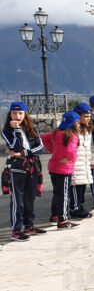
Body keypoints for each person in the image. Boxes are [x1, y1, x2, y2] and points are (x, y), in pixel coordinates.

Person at [3, 102, 46, 241]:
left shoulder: (32, 130)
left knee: (30, 198)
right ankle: (16, 229)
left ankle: (29, 225)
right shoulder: (7, 131)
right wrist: (16, 131)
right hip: (17, 168)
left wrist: (24, 153)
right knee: (18, 200)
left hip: (32, 167)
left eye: (20, 113)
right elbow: (14, 147)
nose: (17, 116)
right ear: (10, 114)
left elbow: (40, 148)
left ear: (25, 115)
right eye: (14, 113)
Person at [41, 111, 81, 229]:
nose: (79, 125)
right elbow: (70, 151)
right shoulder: (72, 136)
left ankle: (55, 216)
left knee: (57, 193)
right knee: (64, 195)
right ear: (73, 124)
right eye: (77, 123)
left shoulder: (56, 133)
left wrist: (52, 150)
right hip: (64, 169)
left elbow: (43, 138)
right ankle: (63, 219)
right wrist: (69, 159)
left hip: (53, 167)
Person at [70, 103, 94, 219]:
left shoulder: (87, 130)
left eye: (89, 117)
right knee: (75, 186)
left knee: (82, 186)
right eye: (85, 117)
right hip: (75, 164)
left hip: (84, 163)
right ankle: (75, 208)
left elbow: (91, 146)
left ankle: (80, 206)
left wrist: (93, 158)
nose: (88, 119)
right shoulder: (72, 130)